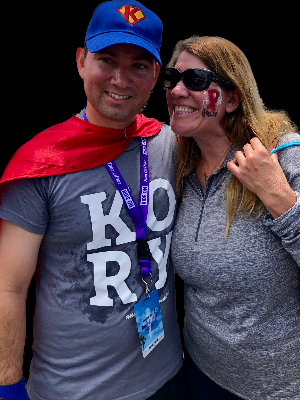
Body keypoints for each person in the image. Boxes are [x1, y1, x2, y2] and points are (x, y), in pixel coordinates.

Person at [0, 2, 186, 399]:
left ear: (155, 75)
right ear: (81, 61)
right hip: (74, 390)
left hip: (169, 376)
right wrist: (9, 386)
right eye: (106, 60)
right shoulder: (40, 164)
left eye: (139, 65)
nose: (121, 78)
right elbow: (8, 287)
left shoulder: (174, 144)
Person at [163, 36, 300, 400]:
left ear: (232, 99)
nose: (176, 90)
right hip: (200, 372)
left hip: (276, 388)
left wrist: (279, 198)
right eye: (172, 77)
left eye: (194, 81)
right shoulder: (178, 168)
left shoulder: (284, 160)